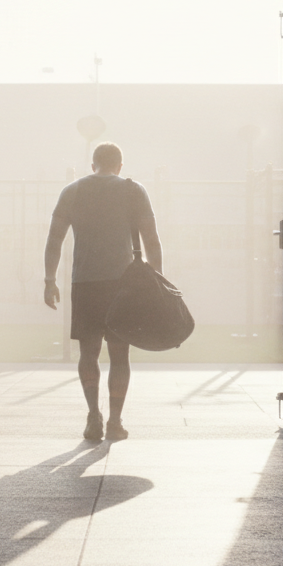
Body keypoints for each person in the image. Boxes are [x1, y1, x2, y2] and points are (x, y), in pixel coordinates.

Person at [44, 142, 162, 441]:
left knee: (88, 352)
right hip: (123, 285)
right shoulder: (134, 190)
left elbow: (54, 239)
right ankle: (115, 421)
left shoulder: (72, 191)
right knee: (120, 355)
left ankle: (93, 417)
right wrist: (157, 282)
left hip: (85, 282)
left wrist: (49, 279)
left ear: (93, 164)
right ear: (120, 166)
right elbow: (152, 240)